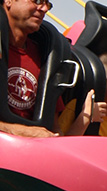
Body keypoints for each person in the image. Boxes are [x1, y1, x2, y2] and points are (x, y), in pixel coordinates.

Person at [1, 0, 57, 137]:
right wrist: (20, 132)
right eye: (37, 1)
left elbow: (55, 127)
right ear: (9, 1)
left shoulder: (45, 57)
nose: (44, 9)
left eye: (48, 4)